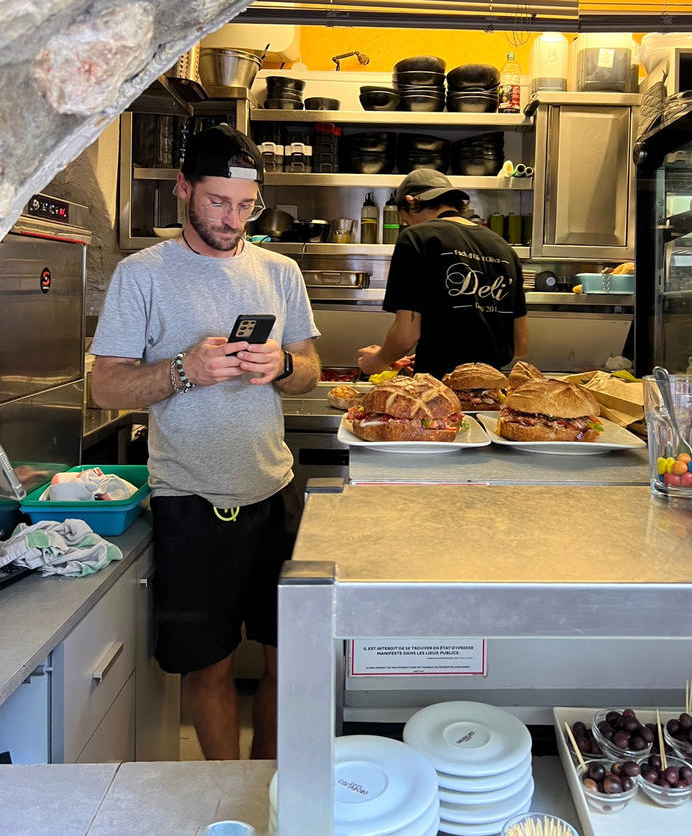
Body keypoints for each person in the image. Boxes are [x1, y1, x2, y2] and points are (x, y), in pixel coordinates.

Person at [91, 124, 320, 761]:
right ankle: (227, 792)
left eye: (247, 205)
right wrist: (182, 371)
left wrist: (283, 366)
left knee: (287, 660)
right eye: (219, 201)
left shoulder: (280, 271)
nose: (233, 219)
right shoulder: (142, 274)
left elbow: (309, 370)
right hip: (190, 501)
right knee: (209, 665)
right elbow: (106, 387)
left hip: (273, 492)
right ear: (184, 188)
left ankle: (266, 787)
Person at [357, 168, 528, 379]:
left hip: (438, 390)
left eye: (406, 220)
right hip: (492, 389)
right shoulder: (504, 248)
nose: (408, 225)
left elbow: (405, 337)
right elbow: (521, 344)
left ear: (411, 202)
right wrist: (434, 350)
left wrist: (378, 359)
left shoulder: (416, 237)